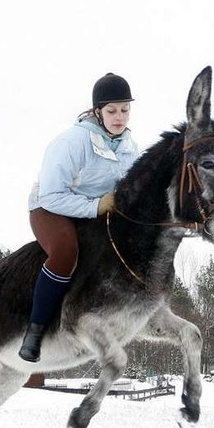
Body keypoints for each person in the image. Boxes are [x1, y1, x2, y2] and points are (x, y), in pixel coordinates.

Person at [19, 73, 140, 362]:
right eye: (112, 111)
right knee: (66, 253)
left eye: (125, 110)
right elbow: (51, 195)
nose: (119, 117)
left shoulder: (129, 146)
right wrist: (96, 207)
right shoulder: (72, 142)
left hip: (97, 209)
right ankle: (35, 331)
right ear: (97, 111)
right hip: (50, 208)